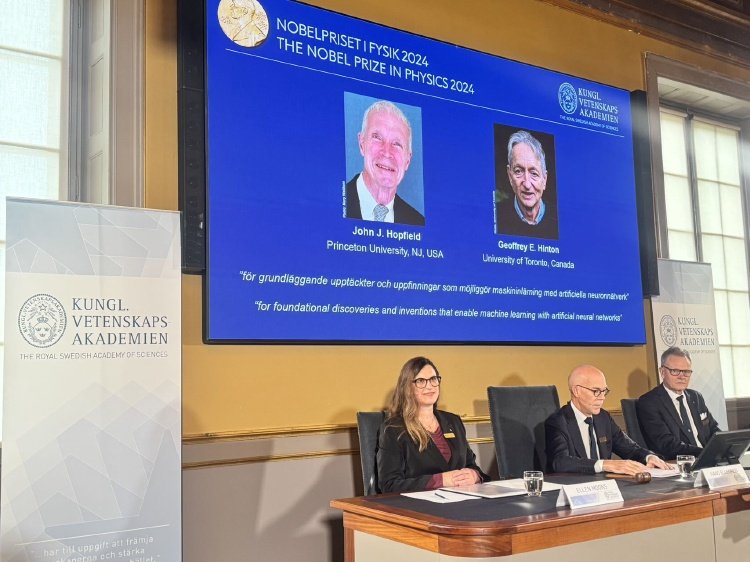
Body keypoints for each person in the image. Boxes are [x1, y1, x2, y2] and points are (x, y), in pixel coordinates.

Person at [377, 357, 489, 492]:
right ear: (407, 387)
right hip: (420, 503)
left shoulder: (453, 421)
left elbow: (471, 465)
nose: (429, 386)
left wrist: (475, 475)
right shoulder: (393, 429)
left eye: (433, 379)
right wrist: (441, 480)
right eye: (420, 381)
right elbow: (389, 485)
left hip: (463, 499)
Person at [545, 364, 671, 475]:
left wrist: (649, 457)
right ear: (576, 391)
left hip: (606, 487)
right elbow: (560, 462)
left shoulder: (603, 417)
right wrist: (605, 464)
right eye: (596, 391)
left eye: (604, 391)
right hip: (575, 488)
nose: (602, 397)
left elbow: (630, 449)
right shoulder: (558, 422)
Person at [346, 101, 425, 226]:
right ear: (361, 144)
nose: (387, 152)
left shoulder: (417, 222)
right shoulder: (334, 203)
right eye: (377, 138)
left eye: (397, 144)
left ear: (407, 161)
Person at [636, 347, 721, 460]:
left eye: (686, 372)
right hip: (677, 463)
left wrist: (725, 446)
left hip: (709, 460)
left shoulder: (696, 397)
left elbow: (713, 430)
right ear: (662, 372)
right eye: (675, 371)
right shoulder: (649, 402)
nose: (682, 377)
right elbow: (666, 444)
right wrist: (706, 453)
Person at [495, 130, 558, 239]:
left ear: (544, 179)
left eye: (534, 173)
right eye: (518, 171)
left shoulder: (559, 219)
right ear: (510, 175)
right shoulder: (496, 215)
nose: (527, 185)